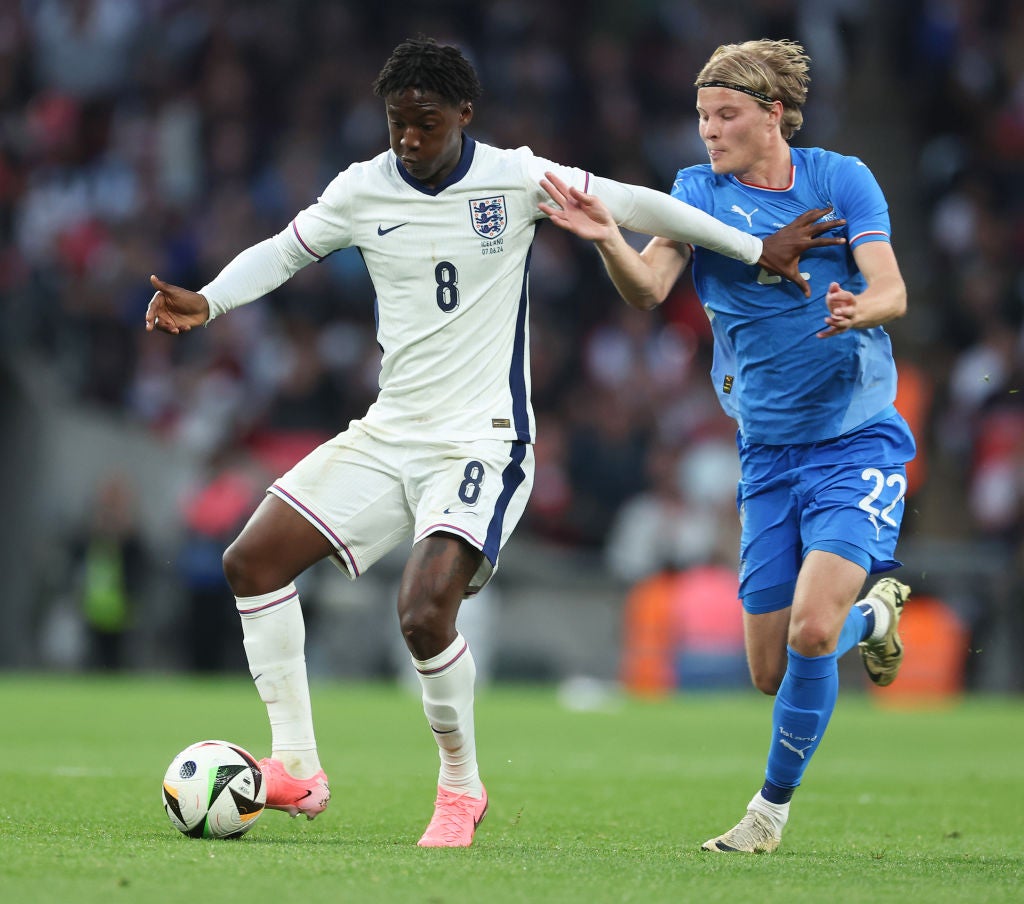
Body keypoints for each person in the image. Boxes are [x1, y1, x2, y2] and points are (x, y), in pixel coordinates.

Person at [145, 35, 840, 848]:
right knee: (249, 561)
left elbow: (640, 205)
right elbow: (284, 251)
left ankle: (459, 788)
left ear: (463, 115)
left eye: (425, 123)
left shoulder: (514, 177)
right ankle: (295, 762)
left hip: (483, 441)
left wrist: (757, 248)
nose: (408, 138)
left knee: (423, 611)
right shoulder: (362, 189)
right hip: (389, 433)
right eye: (397, 122)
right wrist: (211, 302)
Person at [538, 38, 915, 853]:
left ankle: (766, 815)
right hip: (766, 452)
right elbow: (648, 289)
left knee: (813, 630)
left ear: (772, 114)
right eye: (703, 116)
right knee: (770, 667)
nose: (709, 131)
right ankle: (877, 619)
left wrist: (862, 310)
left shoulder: (839, 178)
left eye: (727, 115)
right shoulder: (694, 192)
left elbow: (892, 286)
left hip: (854, 438)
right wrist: (607, 235)